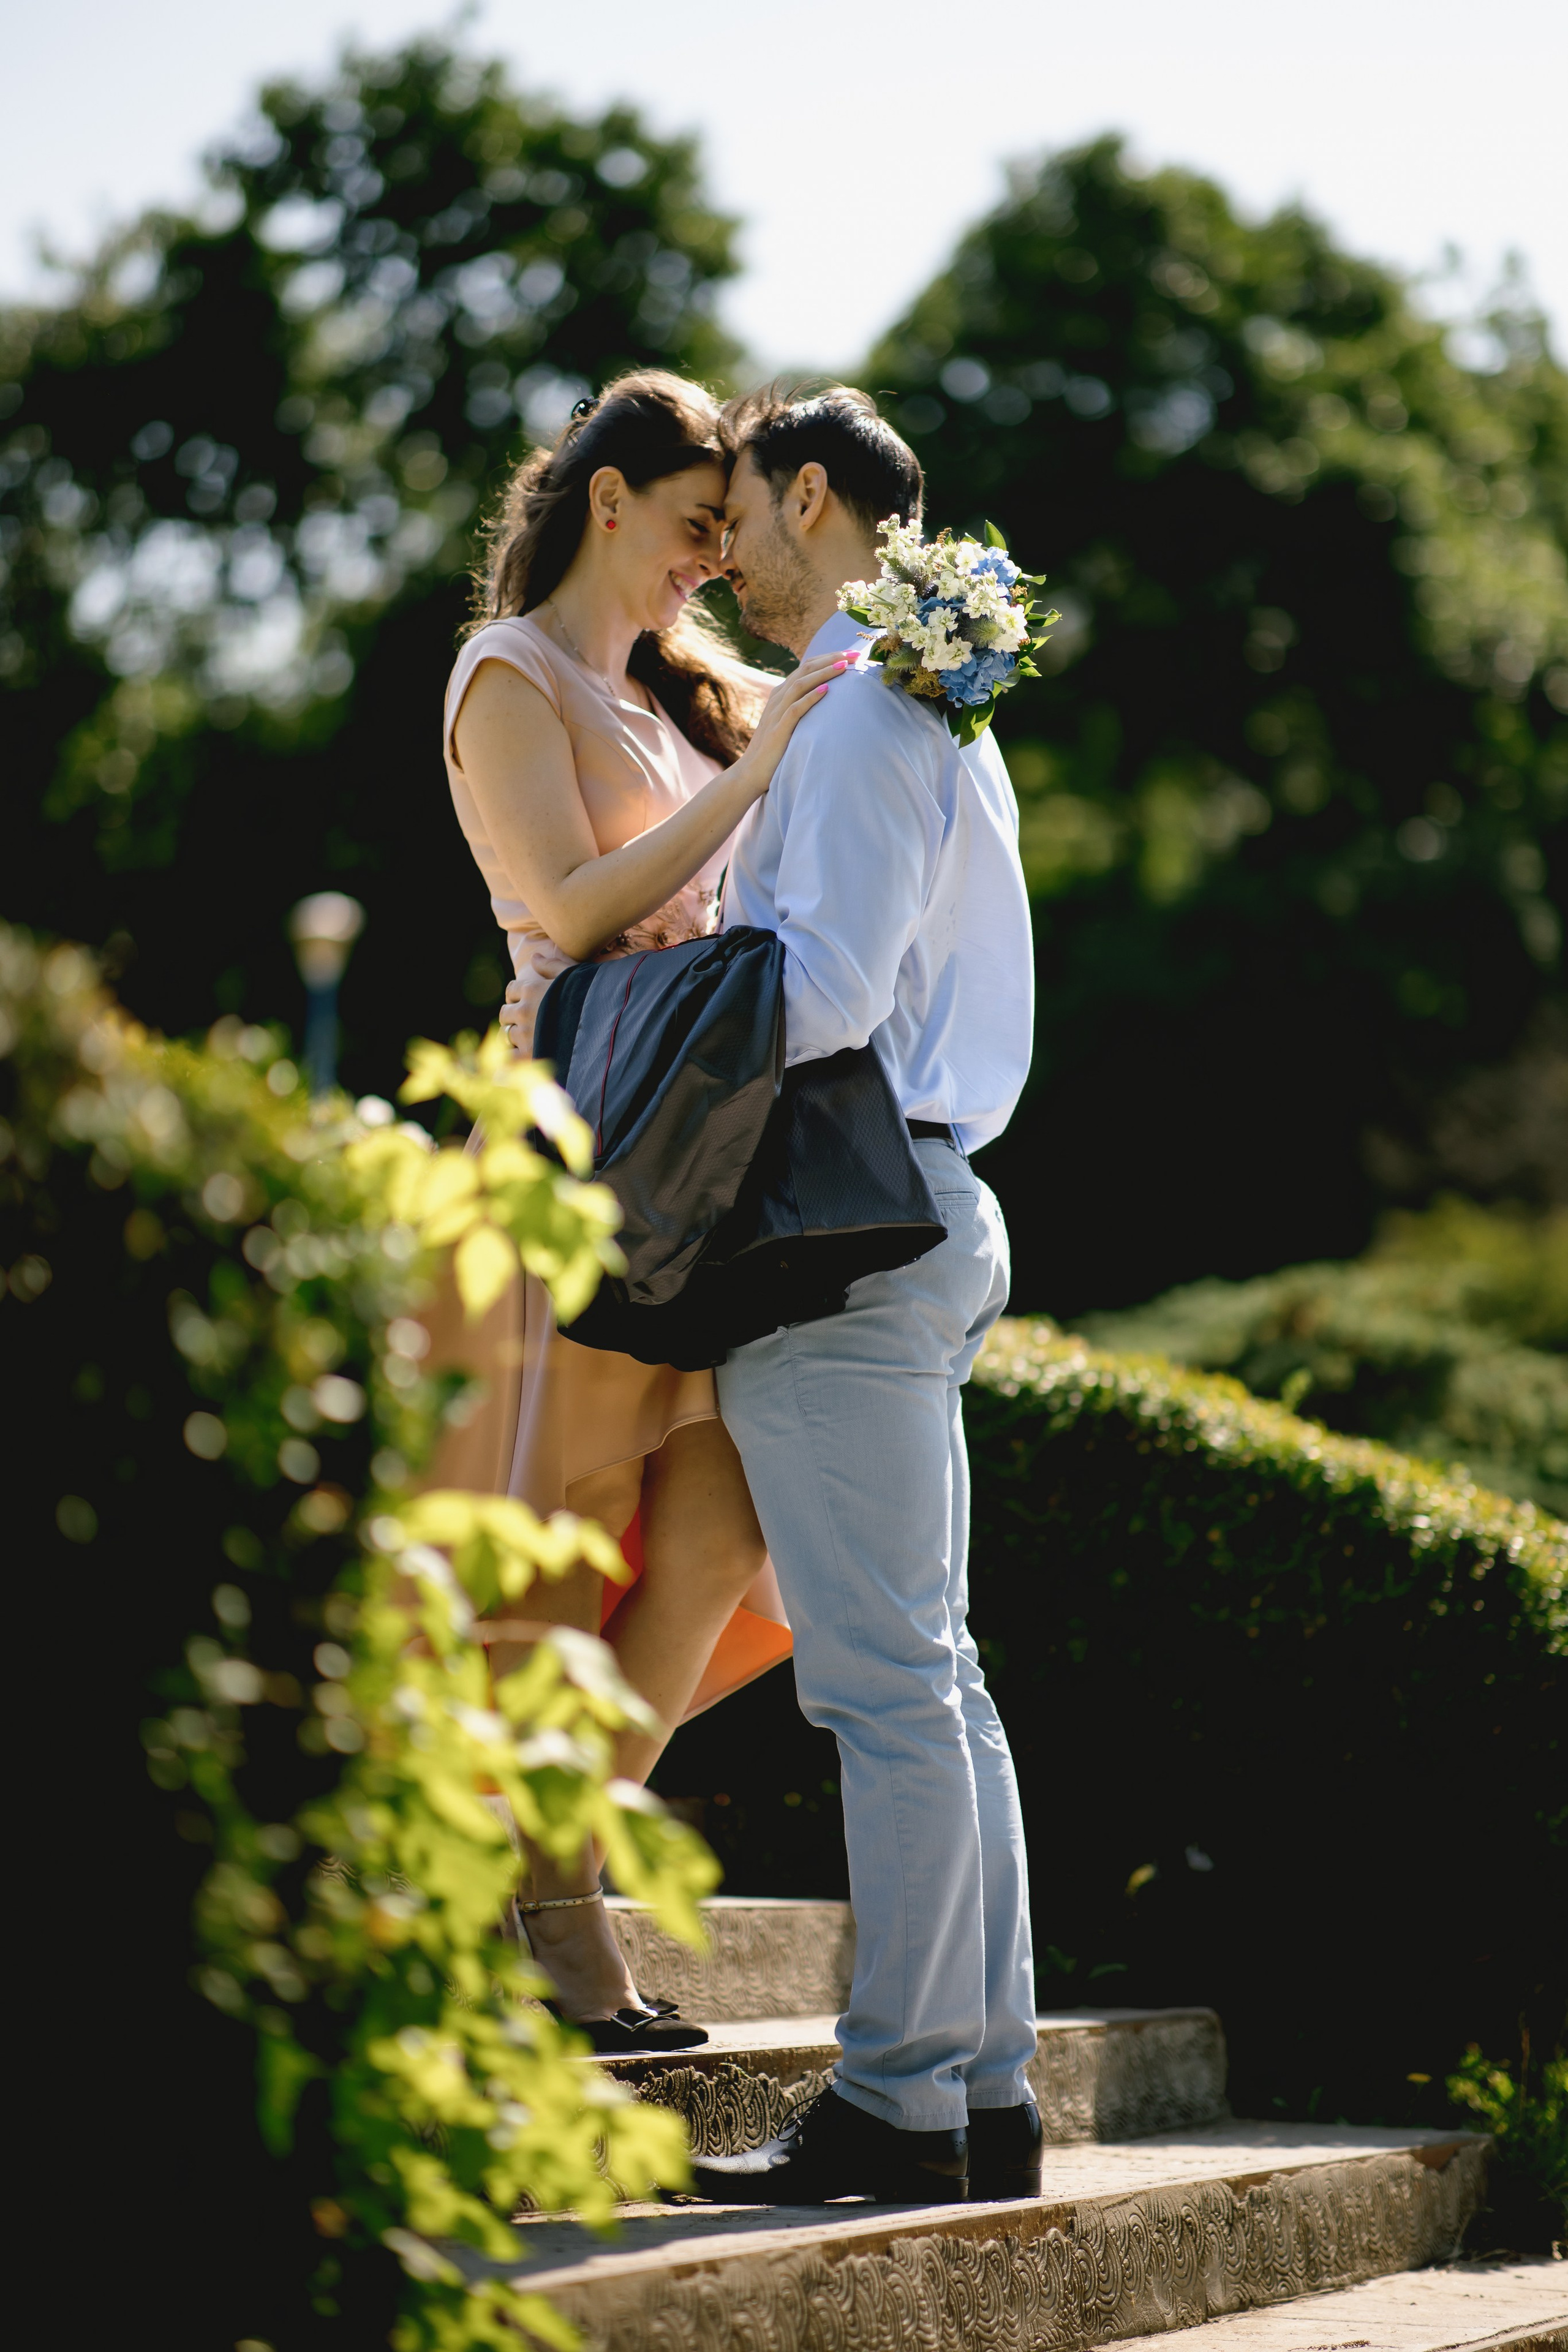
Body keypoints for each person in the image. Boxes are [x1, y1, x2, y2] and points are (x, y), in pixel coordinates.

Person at [439, 371, 847, 2049]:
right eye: (694, 527)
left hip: (712, 1165)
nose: (709, 561)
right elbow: (570, 901)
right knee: (561, 1542)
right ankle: (561, 1925)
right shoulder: (506, 676)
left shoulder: (691, 691)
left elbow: (833, 682)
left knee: (715, 1539)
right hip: (571, 1157)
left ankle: (544, 1873)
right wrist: (752, 785)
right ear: (607, 503)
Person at [690, 387, 1043, 2204]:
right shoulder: (940, 697)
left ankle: (905, 2102)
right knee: (940, 1681)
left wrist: (647, 1011)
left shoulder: (850, 704)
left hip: (844, 1221)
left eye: (737, 513)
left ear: (808, 494)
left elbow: (816, 991)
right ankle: (983, 2092)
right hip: (936, 1197)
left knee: (887, 1690)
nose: (722, 553)